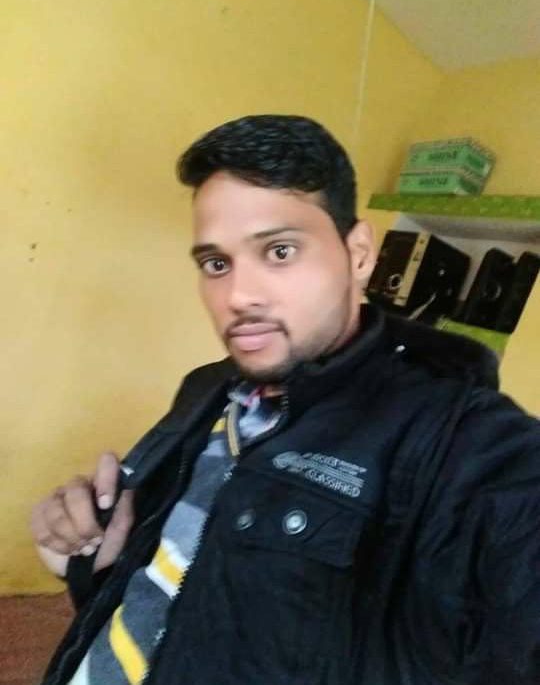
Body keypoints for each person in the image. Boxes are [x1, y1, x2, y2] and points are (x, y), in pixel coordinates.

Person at [31, 115, 540, 685]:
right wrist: (93, 557)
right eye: (216, 264)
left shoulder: (458, 437)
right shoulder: (207, 388)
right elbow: (171, 575)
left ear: (359, 254)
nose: (237, 295)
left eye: (279, 251)